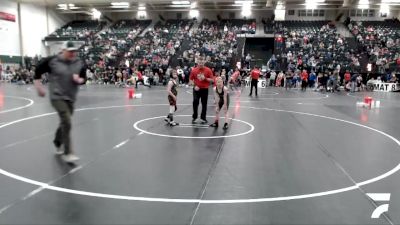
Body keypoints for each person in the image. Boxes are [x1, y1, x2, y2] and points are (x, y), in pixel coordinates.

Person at [34, 41, 86, 163]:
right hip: (56, 96)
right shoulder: (52, 61)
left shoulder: (78, 63)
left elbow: (84, 78)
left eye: (74, 51)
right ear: (63, 50)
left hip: (71, 97)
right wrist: (39, 87)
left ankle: (57, 141)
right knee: (67, 121)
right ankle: (68, 153)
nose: (73, 53)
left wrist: (79, 80)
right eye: (70, 51)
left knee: (64, 122)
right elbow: (38, 70)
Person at [189, 56, 214, 124]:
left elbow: (212, 80)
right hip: (196, 89)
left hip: (205, 89)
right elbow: (190, 80)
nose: (201, 64)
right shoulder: (194, 70)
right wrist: (194, 85)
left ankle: (203, 118)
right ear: (197, 62)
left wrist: (205, 78)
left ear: (204, 62)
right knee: (195, 101)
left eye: (202, 63)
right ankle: (194, 116)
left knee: (204, 104)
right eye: (199, 63)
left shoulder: (208, 70)